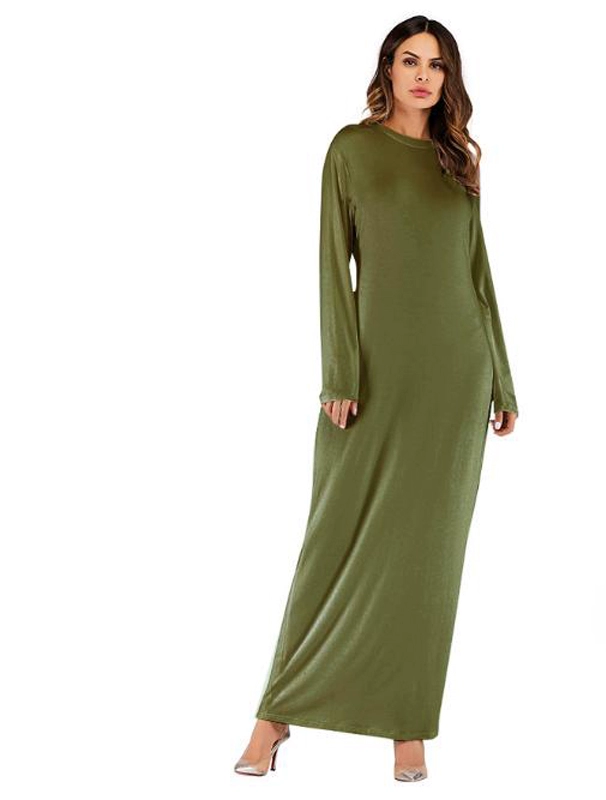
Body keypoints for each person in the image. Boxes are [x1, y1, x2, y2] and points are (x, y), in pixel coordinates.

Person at [234, 15, 518, 783]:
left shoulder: (460, 160)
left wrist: (501, 374)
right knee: (331, 543)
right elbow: (333, 264)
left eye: (437, 64)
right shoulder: (351, 150)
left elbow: (477, 273)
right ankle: (274, 714)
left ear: (449, 78)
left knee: (428, 556)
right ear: (388, 68)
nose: (423, 75)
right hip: (372, 376)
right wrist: (340, 373)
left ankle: (407, 725)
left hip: (455, 377)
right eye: (410, 61)